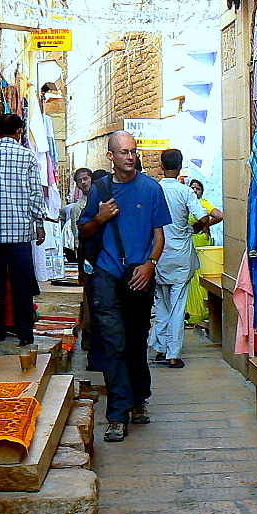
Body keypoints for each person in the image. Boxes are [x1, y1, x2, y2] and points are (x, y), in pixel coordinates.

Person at [78, 132, 171, 442]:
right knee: (113, 343)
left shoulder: (151, 188)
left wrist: (150, 265)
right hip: (106, 274)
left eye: (133, 151)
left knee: (135, 340)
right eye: (124, 152)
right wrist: (101, 216)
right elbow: (85, 230)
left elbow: (159, 236)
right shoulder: (100, 191)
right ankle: (117, 415)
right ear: (111, 157)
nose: (130, 157)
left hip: (139, 274)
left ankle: (139, 398)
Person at [0, 112, 46, 347]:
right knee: (22, 285)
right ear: (20, 132)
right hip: (21, 232)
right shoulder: (27, 157)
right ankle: (25, 334)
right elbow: (35, 194)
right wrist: (39, 224)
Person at [149, 149, 202, 369]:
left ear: (162, 166)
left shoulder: (153, 189)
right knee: (178, 306)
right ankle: (173, 353)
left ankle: (160, 347)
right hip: (180, 255)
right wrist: (196, 228)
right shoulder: (185, 191)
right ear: (180, 167)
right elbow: (205, 216)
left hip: (158, 255)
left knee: (161, 303)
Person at [184, 178, 225, 328]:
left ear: (202, 191)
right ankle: (191, 313)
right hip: (189, 242)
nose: (195, 191)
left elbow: (220, 215)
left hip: (200, 242)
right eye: (192, 188)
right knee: (191, 279)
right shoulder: (187, 203)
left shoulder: (204, 204)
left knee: (201, 276)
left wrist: (203, 225)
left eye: (198, 189)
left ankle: (202, 312)